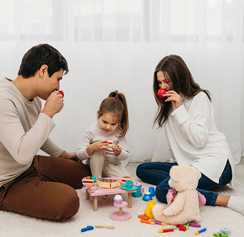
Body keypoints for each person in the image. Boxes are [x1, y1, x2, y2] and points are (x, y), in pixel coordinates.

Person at [0, 43, 91, 221]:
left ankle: (40, 184)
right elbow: (22, 153)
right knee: (68, 201)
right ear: (43, 70)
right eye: (57, 79)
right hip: (5, 184)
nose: (58, 87)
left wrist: (63, 155)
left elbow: (35, 134)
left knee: (85, 174)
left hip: (29, 165)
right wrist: (48, 112)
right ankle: (38, 188)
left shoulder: (33, 98)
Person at [136, 55, 244, 215]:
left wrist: (180, 108)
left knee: (163, 190)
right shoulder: (168, 104)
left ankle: (226, 200)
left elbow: (199, 139)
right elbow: (173, 142)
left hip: (215, 163)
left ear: (179, 77)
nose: (163, 87)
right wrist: (176, 166)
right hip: (189, 164)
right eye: (160, 83)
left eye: (167, 81)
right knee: (142, 169)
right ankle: (187, 185)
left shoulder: (199, 98)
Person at [76, 90, 130, 178]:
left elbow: (125, 156)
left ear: (119, 122)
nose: (108, 127)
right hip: (95, 166)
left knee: (127, 184)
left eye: (113, 124)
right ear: (98, 115)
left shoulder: (119, 132)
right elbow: (79, 155)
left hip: (112, 166)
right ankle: (97, 180)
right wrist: (92, 148)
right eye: (105, 122)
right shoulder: (90, 131)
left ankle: (105, 180)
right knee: (99, 150)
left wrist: (119, 152)